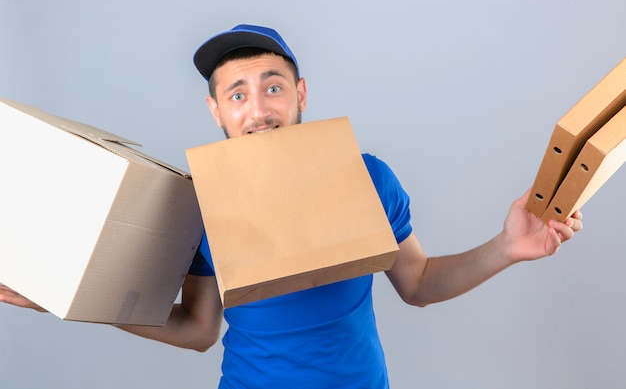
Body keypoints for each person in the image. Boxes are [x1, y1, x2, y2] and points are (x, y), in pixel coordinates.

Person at [0, 24, 583, 388]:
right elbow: (199, 329)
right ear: (217, 112)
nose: (258, 109)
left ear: (300, 95)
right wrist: (69, 300)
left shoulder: (365, 176)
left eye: (273, 87)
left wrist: (508, 247)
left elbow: (420, 283)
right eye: (238, 94)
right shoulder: (199, 205)